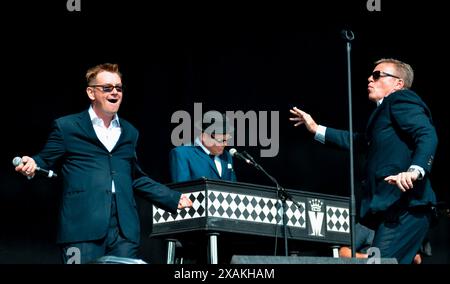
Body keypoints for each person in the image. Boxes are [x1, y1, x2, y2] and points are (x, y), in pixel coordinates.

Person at [15, 63, 192, 264]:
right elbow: (44, 159)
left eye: (119, 87)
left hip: (123, 230)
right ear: (91, 92)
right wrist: (31, 163)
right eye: (107, 88)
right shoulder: (67, 127)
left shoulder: (129, 132)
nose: (115, 92)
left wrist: (171, 197)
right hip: (82, 227)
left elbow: (134, 176)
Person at [290, 58, 438, 264]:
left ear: (398, 83)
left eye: (378, 75)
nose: (370, 78)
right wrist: (316, 129)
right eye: (371, 75)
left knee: (378, 263)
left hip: (406, 206)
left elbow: (427, 134)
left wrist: (415, 171)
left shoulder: (400, 99)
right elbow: (359, 140)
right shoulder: (382, 115)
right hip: (392, 209)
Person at [169, 110, 237, 183]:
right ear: (203, 136)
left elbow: (234, 187)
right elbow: (183, 189)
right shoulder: (182, 154)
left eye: (227, 140)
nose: (226, 144)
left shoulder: (227, 156)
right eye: (221, 140)